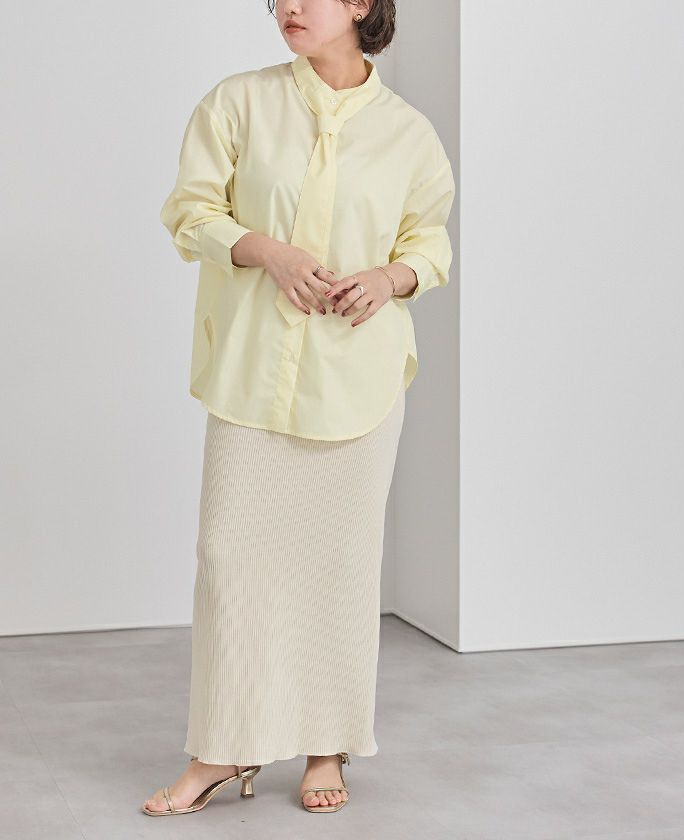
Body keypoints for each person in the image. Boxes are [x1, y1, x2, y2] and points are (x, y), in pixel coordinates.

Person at [142, 0, 455, 817]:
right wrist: (269, 253)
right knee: (228, 560)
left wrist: (388, 279)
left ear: (360, 4)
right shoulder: (237, 103)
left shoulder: (409, 134)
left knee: (339, 567)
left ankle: (326, 746)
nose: (287, 5)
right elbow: (190, 212)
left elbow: (430, 244)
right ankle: (222, 749)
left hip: (355, 381)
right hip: (254, 371)